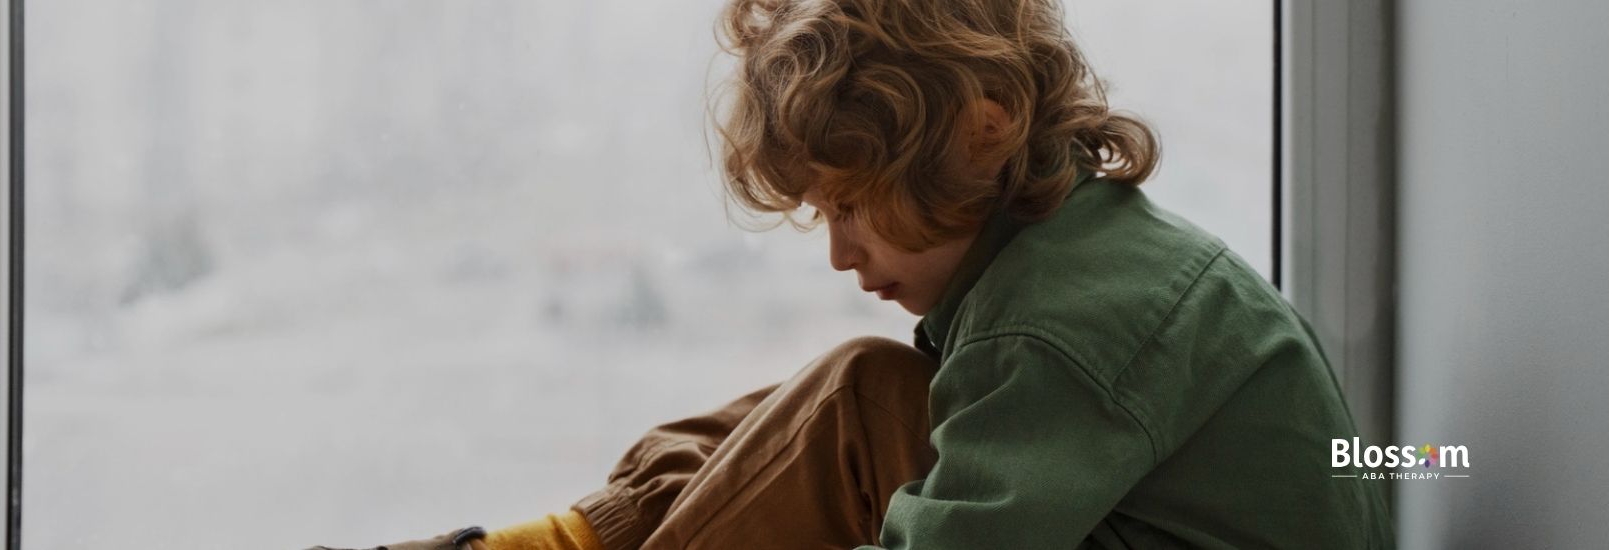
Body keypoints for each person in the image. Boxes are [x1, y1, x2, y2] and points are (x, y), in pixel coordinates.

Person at [318, 0, 1393, 548]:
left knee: (852, 400)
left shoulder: (1054, 331)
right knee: (794, 420)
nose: (839, 253)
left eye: (849, 207)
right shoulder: (1072, 256)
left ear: (980, 134)